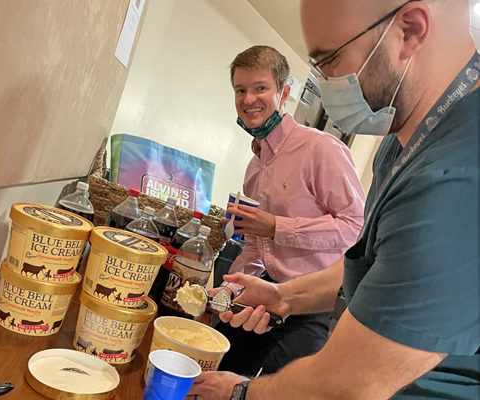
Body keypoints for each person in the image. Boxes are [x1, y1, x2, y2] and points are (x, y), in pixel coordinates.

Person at [190, 0, 480, 399]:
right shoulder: (400, 147)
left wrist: (241, 393)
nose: (325, 83)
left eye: (330, 60)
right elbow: (368, 260)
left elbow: (351, 383)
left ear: (410, 30)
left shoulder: (455, 180)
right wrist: (282, 295)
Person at [213, 45, 365, 376]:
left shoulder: (320, 149)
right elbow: (254, 248)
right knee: (216, 369)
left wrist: (277, 226)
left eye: (260, 88)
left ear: (284, 93)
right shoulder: (254, 168)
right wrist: (230, 286)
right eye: (241, 90)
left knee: (285, 390)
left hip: (312, 303)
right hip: (265, 291)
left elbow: (355, 227)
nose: (248, 99)